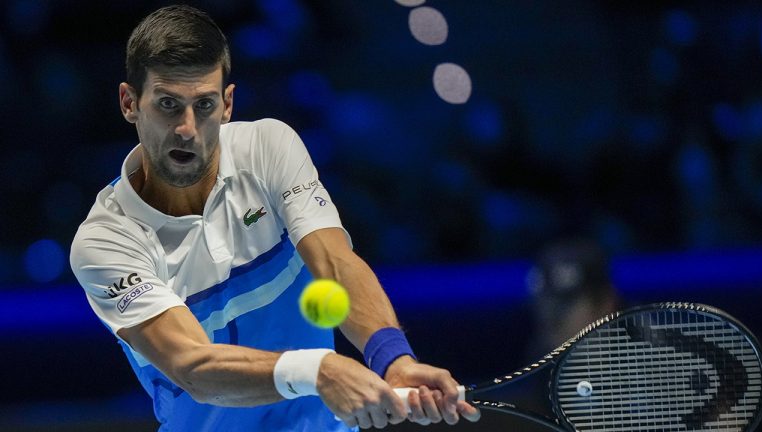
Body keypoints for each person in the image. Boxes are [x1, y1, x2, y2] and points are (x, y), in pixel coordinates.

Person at [69, 5, 479, 431]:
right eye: (168, 105)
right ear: (129, 103)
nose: (187, 128)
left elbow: (334, 263)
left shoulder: (269, 147)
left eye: (204, 104)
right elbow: (192, 365)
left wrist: (393, 358)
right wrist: (318, 371)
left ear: (227, 104)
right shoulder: (105, 242)